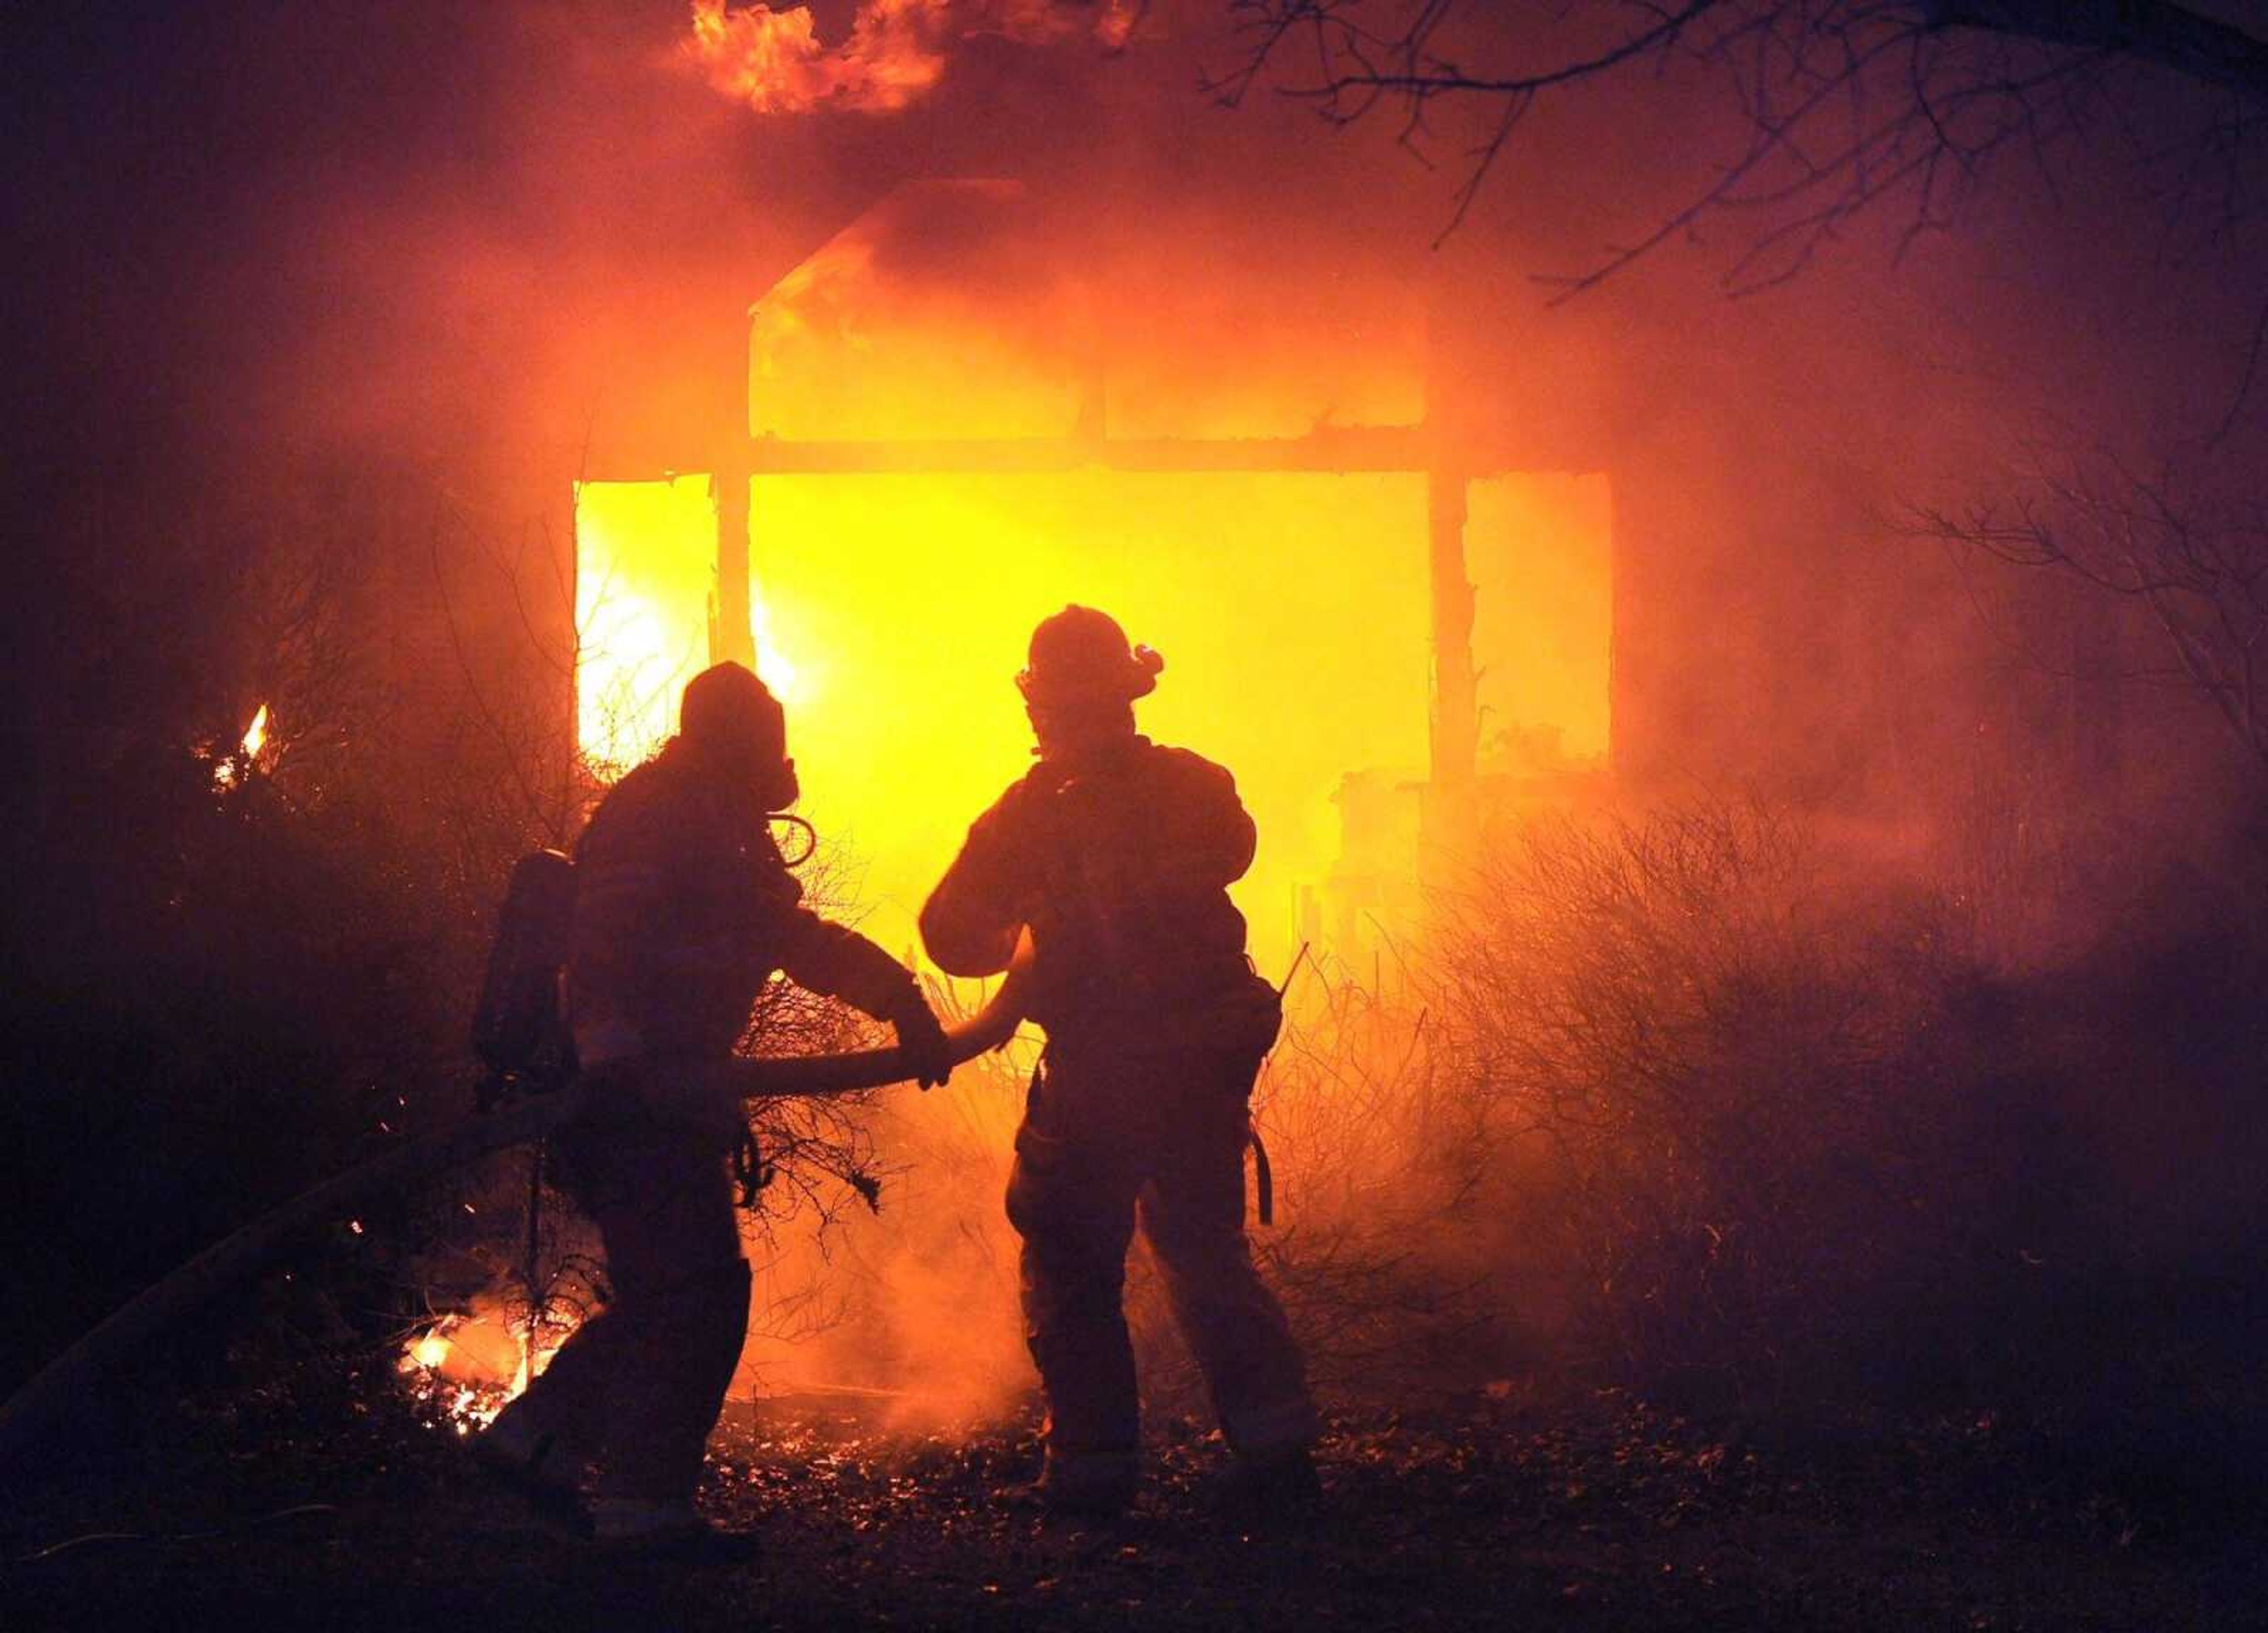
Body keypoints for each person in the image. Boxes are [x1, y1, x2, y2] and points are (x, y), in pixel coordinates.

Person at [480, 661, 953, 1547]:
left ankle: (540, 1440)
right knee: (692, 1294)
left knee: (682, 1291)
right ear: (731, 740)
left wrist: (900, 998)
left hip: (672, 1090)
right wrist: (615, 1062)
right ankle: (636, 1501)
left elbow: (791, 937)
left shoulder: (721, 826)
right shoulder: (660, 812)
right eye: (761, 739)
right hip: (630, 1097)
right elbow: (606, 941)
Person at [920, 606, 1318, 1517]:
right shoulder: (1186, 787)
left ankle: (1093, 1473)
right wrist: (1031, 929)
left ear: (1052, 707)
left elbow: (949, 929)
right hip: (1196, 1073)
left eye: (1049, 704)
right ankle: (1277, 1460)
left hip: (1111, 1073)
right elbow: (948, 931)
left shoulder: (1044, 814)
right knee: (1203, 1254)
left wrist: (1046, 911)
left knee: (1071, 1260)